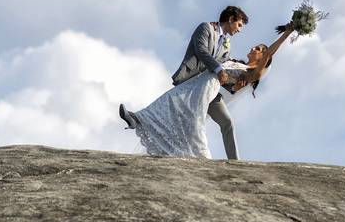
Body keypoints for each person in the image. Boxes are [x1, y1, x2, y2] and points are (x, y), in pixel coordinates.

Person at [119, 21, 295, 159]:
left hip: (210, 93)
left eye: (258, 49)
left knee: (217, 123)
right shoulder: (237, 63)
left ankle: (233, 163)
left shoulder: (252, 73)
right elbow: (227, 81)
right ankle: (137, 119)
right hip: (205, 86)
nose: (252, 48)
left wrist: (286, 34)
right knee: (173, 99)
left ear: (263, 57)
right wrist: (233, 86)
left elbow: (270, 53)